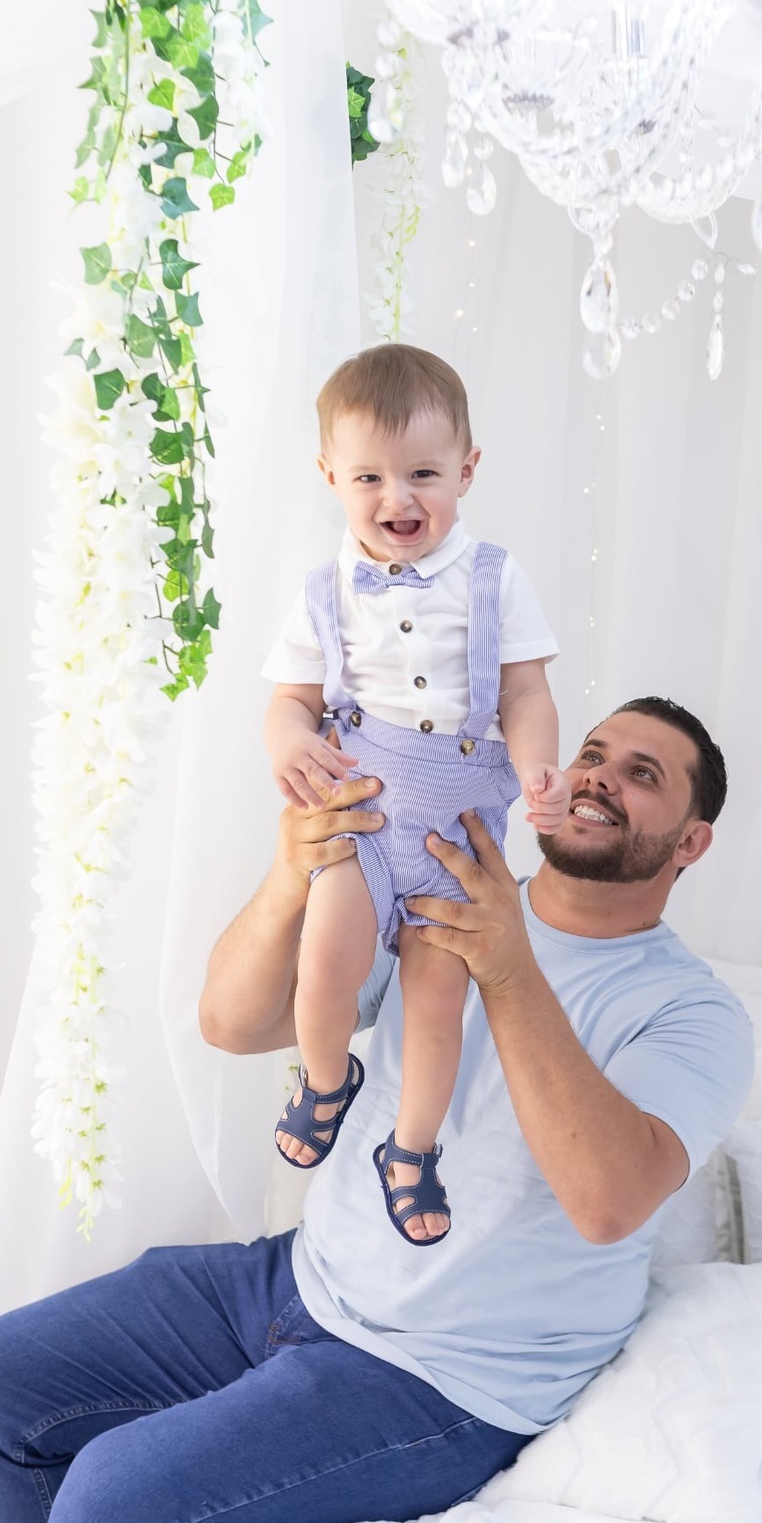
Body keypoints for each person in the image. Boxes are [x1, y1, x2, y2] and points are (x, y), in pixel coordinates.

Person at [0, 697, 753, 1523]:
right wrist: (293, 871)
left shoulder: (691, 1013)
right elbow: (232, 1023)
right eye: (592, 754)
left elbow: (608, 1202)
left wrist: (509, 964)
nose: (598, 776)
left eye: (641, 774)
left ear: (693, 841)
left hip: (445, 1382)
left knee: (110, 1492)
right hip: (298, 1282)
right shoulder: (445, 891)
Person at [262, 343, 569, 1245]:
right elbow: (292, 699)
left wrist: (541, 765)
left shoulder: (494, 579)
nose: (398, 500)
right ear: (330, 477)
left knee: (439, 1000)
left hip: (458, 826)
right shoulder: (324, 593)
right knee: (326, 960)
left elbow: (525, 693)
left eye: (424, 474)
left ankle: (411, 1150)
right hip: (365, 808)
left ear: (467, 471)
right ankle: (325, 1081)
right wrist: (288, 739)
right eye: (370, 478)